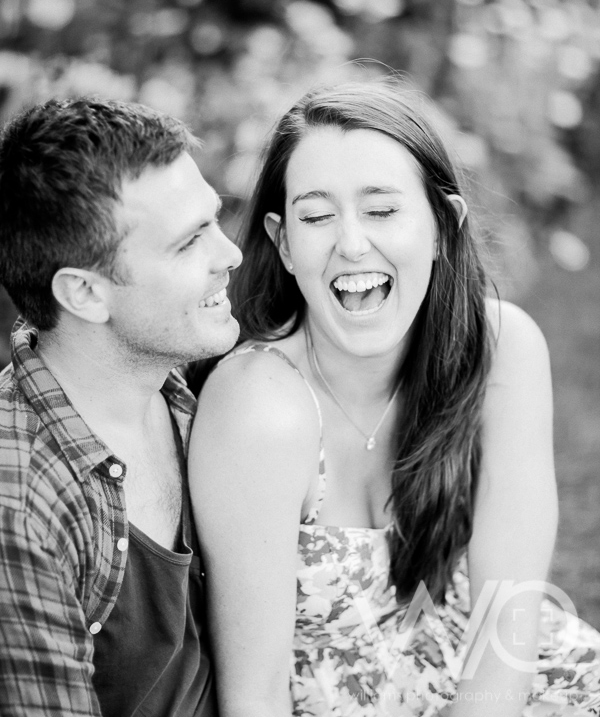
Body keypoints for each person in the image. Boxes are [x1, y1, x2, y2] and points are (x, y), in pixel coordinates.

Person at [188, 78, 600, 717]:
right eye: (318, 216)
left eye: (382, 210)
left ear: (443, 227)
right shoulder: (258, 408)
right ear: (283, 242)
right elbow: (253, 699)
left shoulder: (500, 351)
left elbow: (507, 624)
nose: (351, 243)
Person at [0, 98, 241, 717]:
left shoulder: (196, 396)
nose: (230, 255)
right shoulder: (22, 502)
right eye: (189, 244)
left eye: (214, 221)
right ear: (84, 291)